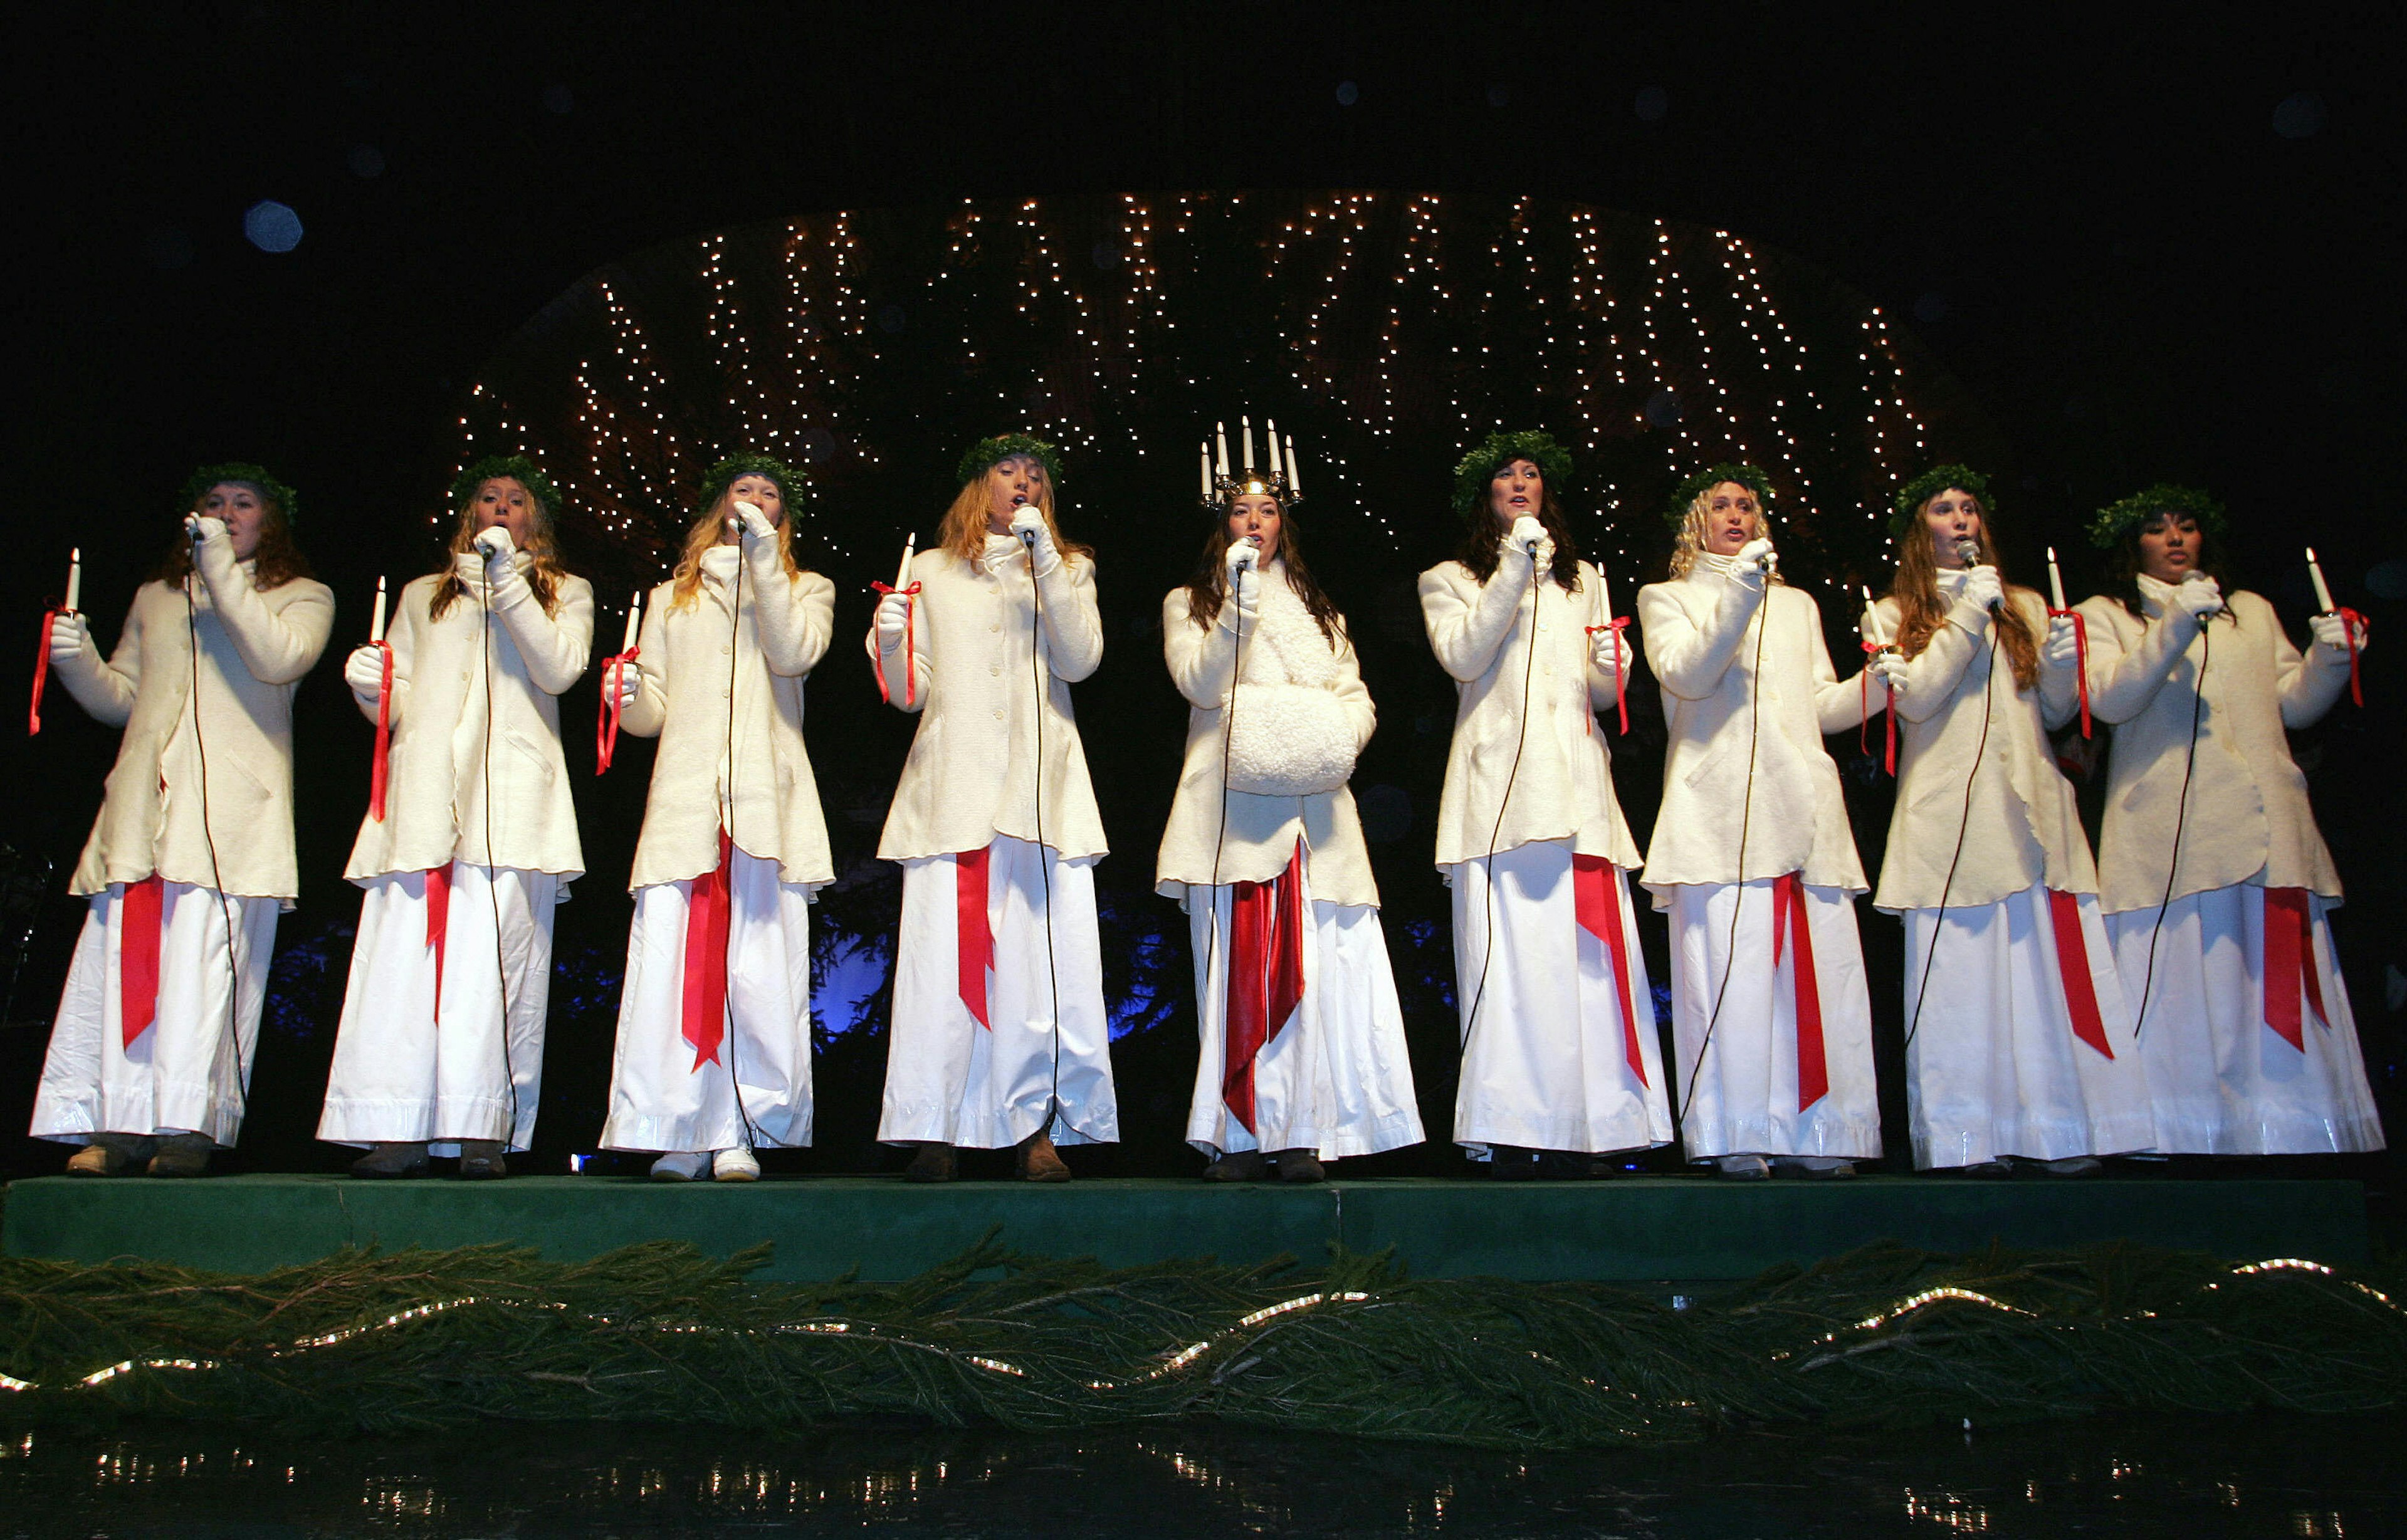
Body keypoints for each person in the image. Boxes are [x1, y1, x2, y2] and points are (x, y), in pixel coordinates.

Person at [31, 465, 332, 1176]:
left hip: (231, 816)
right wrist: (78, 665)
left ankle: (188, 1127)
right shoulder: (158, 596)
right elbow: (124, 697)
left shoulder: (301, 596)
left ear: (270, 522)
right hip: (146, 808)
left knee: (207, 972)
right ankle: (117, 1123)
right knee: (127, 964)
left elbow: (275, 658)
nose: (226, 512)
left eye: (244, 504)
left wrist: (221, 570)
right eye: (214, 502)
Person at [2075, 485, 2382, 1155]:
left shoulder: (2246, 609)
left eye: (2186, 527)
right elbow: (2112, 700)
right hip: (2173, 835)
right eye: (2159, 530)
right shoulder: (2108, 614)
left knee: (2265, 982)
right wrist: (2176, 623)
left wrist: (2330, 657)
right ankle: (2181, 1131)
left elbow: (2293, 707)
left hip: (2266, 825)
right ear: (2135, 544)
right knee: (2185, 984)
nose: (2176, 539)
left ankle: (2288, 1126)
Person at [1870, 465, 2153, 1176]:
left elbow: (2053, 714)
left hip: (2030, 811)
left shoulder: (2021, 602)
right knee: (1961, 987)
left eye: (1970, 508)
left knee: (2041, 982)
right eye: (1944, 509)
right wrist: (1966, 614)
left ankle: (2060, 1131)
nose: (1962, 519)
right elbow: (1920, 700)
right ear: (1920, 530)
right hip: (1950, 819)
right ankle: (1967, 1142)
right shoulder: (1891, 611)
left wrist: (2059, 664)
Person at [318, 456, 593, 1179]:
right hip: (424, 800)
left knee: (499, 966)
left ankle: (482, 1129)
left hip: (510, 801)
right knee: (407, 964)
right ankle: (394, 1127)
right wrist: (373, 690)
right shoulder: (422, 595)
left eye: (517, 501)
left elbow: (560, 670)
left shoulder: (564, 590)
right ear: (468, 514)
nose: (501, 509)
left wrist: (510, 584)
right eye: (488, 498)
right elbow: (402, 697)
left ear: (536, 521)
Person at [1157, 433, 1422, 1181]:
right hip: (1231, 809)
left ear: (1283, 523)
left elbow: (1355, 695)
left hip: (1316, 805)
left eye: (1267, 509)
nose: (1255, 521)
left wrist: (1339, 735)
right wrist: (1239, 603)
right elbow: (1202, 686)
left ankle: (1304, 1129)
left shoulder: (1318, 609)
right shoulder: (1192, 602)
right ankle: (1240, 1134)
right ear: (1223, 524)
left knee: (1319, 965)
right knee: (1240, 967)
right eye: (1241, 509)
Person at [1417, 431, 1670, 1178]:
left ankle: (1597, 1122)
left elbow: (1596, 690)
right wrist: (1513, 568)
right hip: (1501, 790)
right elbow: (1463, 655)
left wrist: (1612, 670)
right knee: (1514, 966)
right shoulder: (1450, 577)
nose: (1521, 483)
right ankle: (1517, 1123)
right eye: (1506, 475)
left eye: (1532, 473)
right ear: (1486, 498)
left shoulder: (1582, 578)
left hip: (1578, 789)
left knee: (1587, 962)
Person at [866, 434, 1117, 1181]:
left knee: (1036, 971)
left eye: (1035, 475)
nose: (1024, 481)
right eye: (1009, 471)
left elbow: (1080, 660)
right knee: (941, 965)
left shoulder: (1068, 567)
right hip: (952, 787)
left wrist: (1043, 559)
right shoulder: (935, 572)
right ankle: (934, 1125)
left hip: (1041, 795)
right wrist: (889, 643)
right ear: (980, 486)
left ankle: (1031, 1127)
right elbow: (908, 692)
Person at [1635, 465, 1885, 1180]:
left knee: (1821, 977)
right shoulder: (1669, 597)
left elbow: (1820, 705)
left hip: (1802, 806)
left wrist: (1877, 686)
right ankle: (1737, 1131)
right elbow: (1687, 674)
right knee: (1730, 976)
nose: (1737, 515)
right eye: (1721, 505)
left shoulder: (1798, 605)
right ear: (1697, 524)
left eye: (1747, 505)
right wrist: (1741, 592)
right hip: (1716, 814)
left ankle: (1824, 1131)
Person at [598, 455, 836, 1181]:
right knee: (675, 968)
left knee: (759, 975)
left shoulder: (805, 589)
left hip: (768, 799)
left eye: (771, 496)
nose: (758, 500)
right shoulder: (671, 598)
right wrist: (625, 694)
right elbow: (651, 716)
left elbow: (794, 652)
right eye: (745, 491)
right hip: (688, 804)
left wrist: (763, 561)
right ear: (718, 505)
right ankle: (678, 1129)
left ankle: (739, 1128)